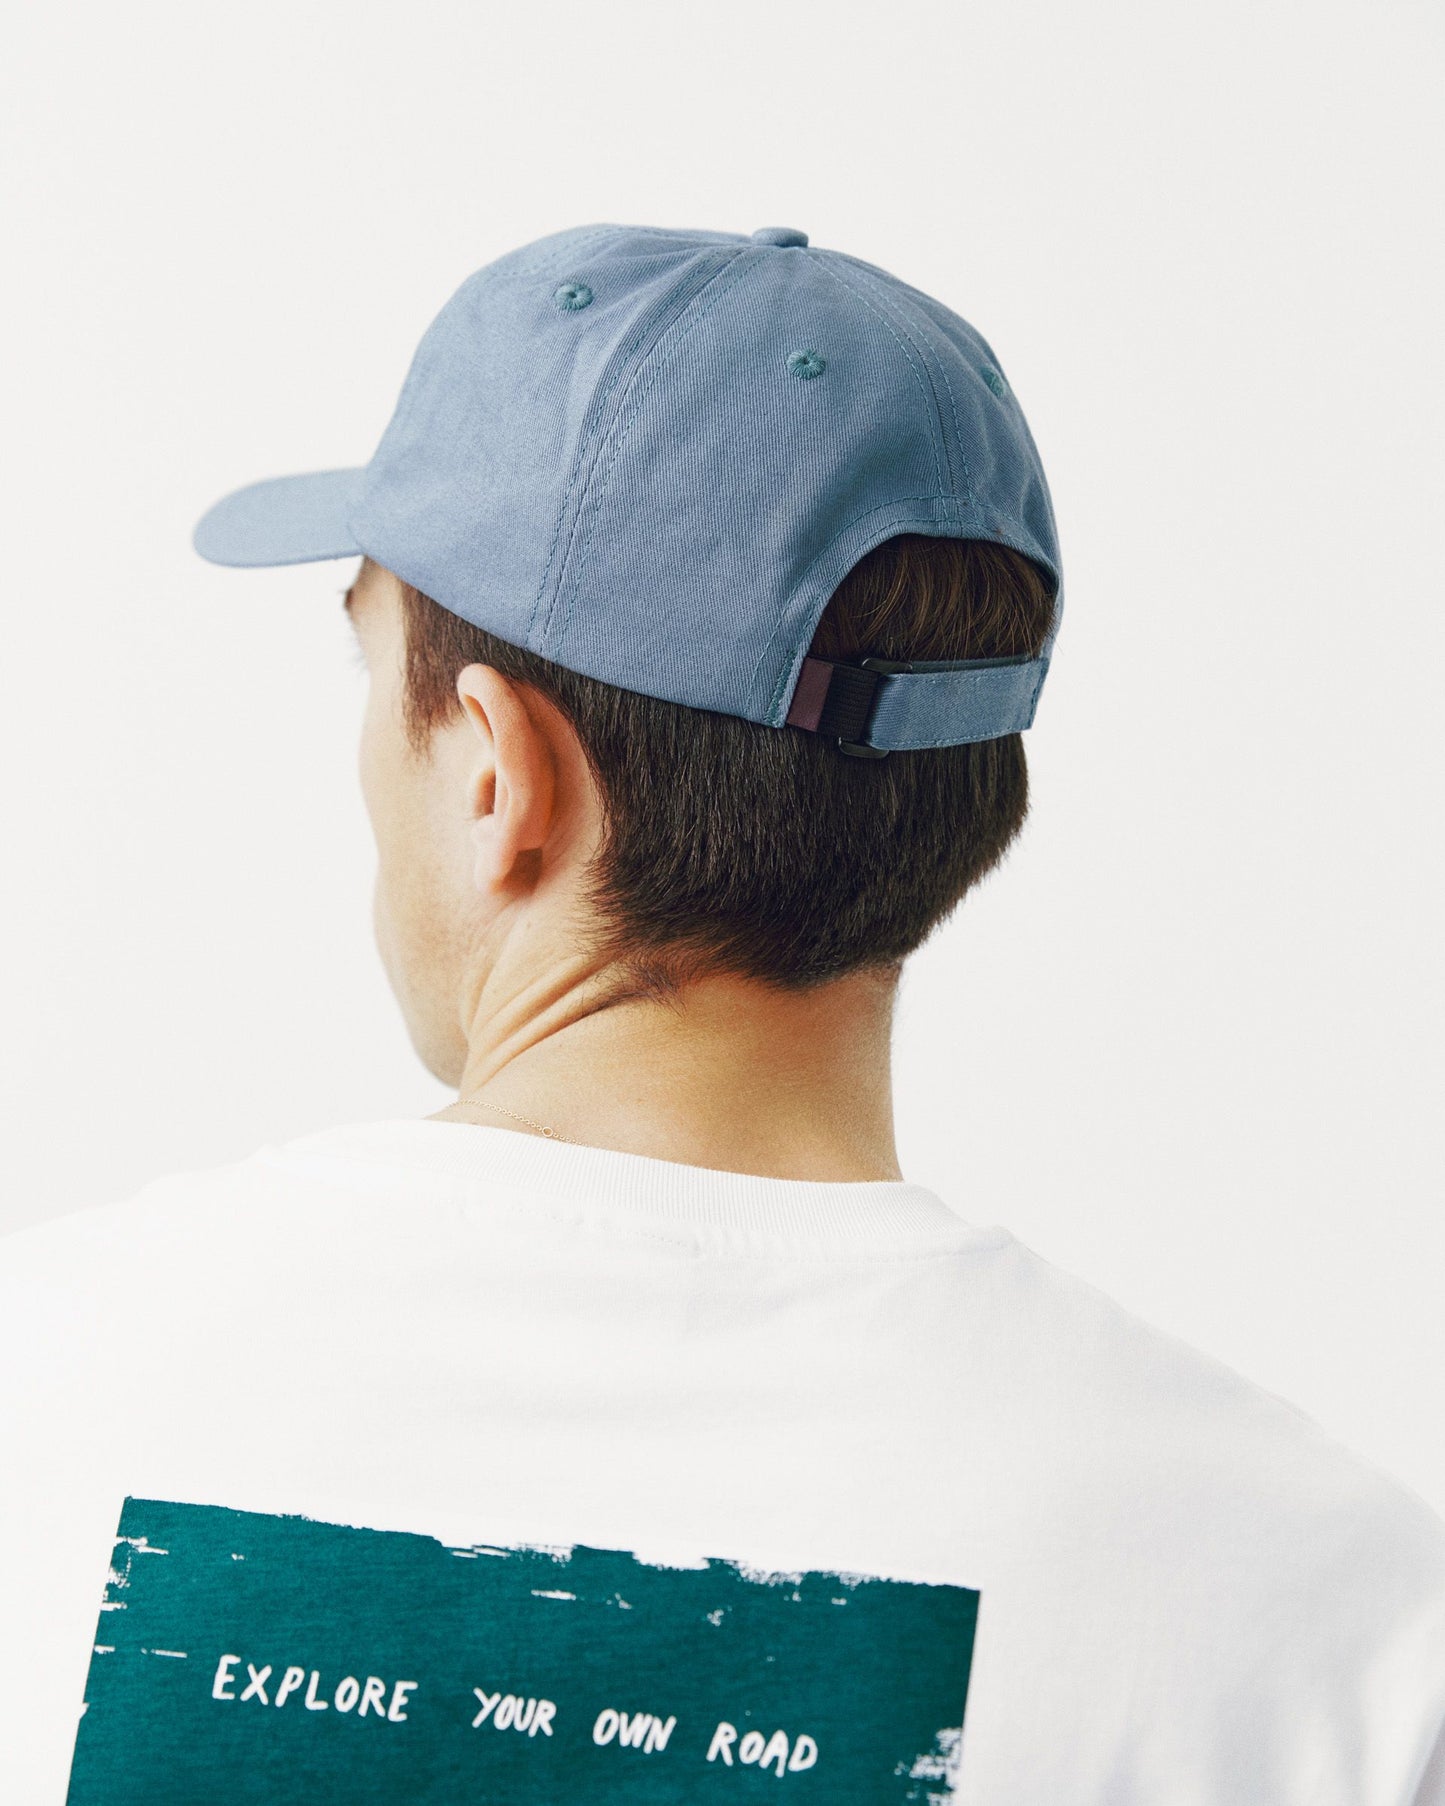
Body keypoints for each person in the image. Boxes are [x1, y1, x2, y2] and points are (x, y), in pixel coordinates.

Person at [2, 222, 1441, 1806]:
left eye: (370, 672)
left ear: (498, 772)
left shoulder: (46, 1388)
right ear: (961, 792)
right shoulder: (1333, 1629)